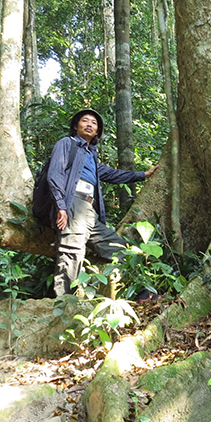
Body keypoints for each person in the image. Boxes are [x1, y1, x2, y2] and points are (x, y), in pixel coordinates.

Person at [47, 109, 158, 296]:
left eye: (94, 123)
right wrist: (61, 206)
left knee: (118, 248)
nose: (90, 124)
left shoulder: (90, 156)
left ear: (97, 132)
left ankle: (145, 295)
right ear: (76, 126)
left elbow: (112, 174)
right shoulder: (67, 144)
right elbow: (55, 174)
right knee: (71, 253)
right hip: (73, 203)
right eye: (85, 121)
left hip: (89, 211)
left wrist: (143, 175)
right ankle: (64, 306)